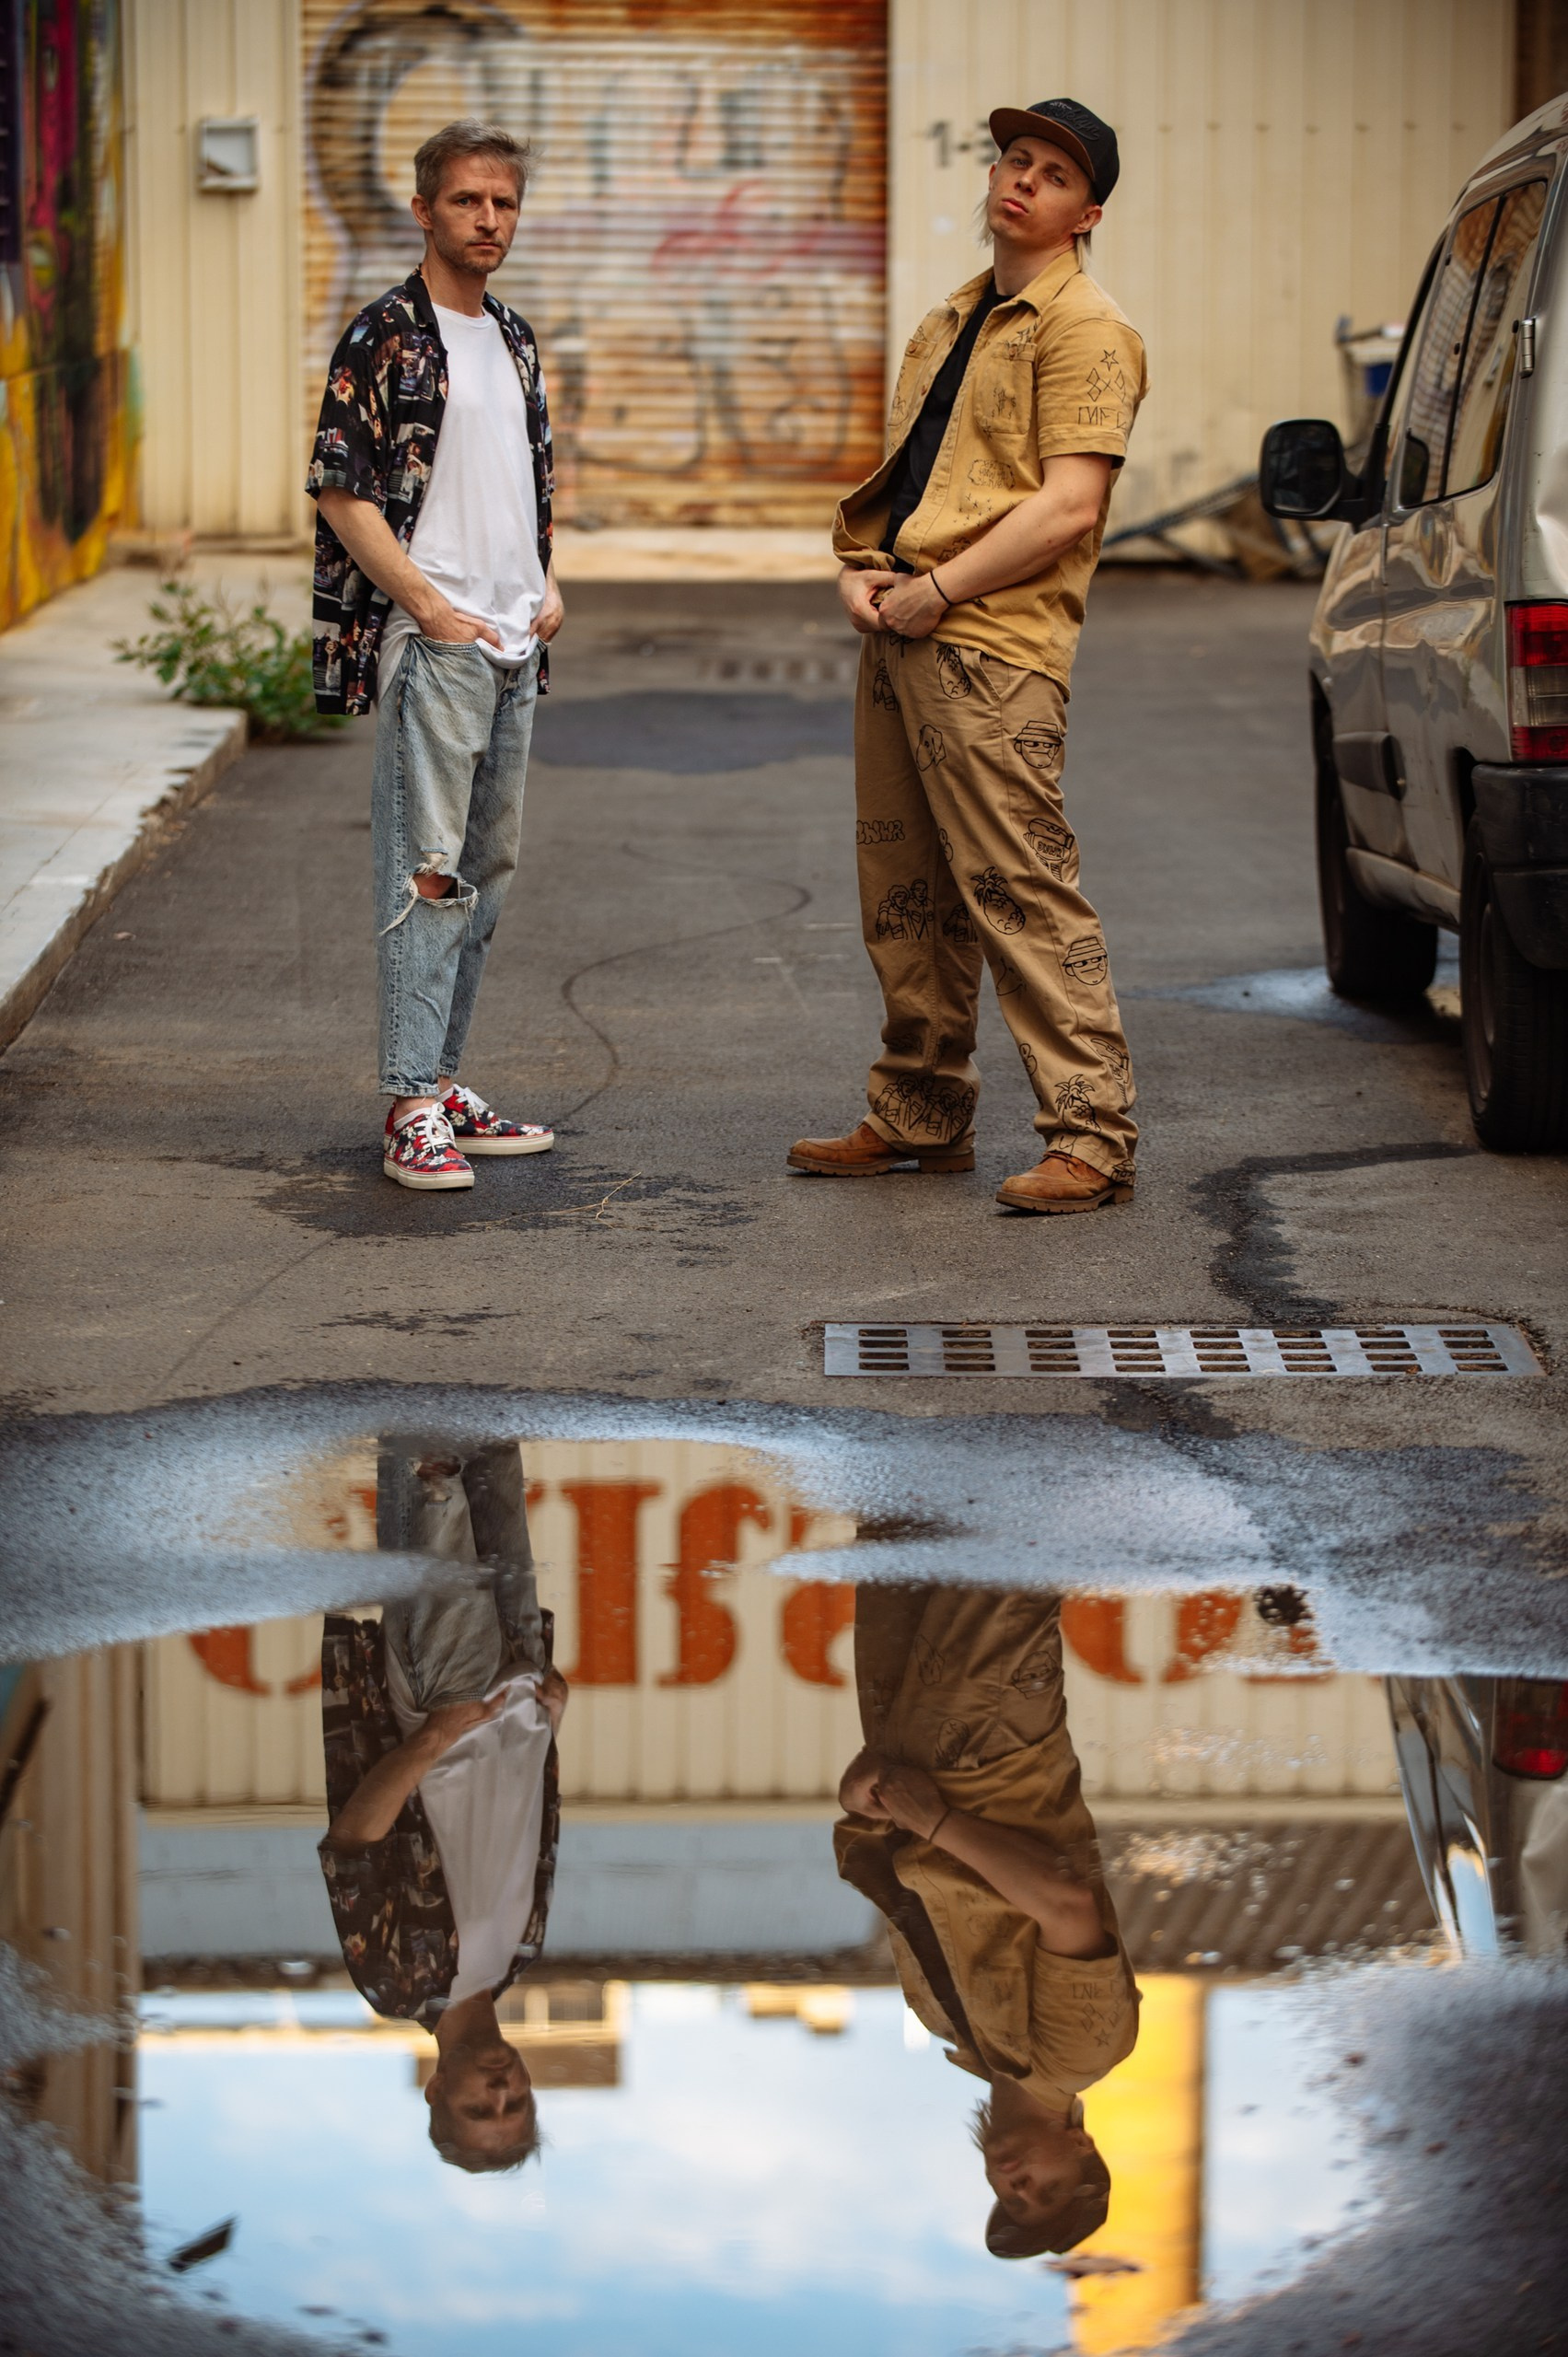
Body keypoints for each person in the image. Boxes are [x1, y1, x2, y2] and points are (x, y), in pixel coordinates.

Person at [791, 99, 1147, 1213]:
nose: (1021, 181)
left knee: (1018, 888)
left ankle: (1091, 1135)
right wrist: (863, 568)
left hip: (990, 645)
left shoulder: (1086, 327)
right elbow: (912, 484)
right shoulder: (951, 319)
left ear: (1084, 213)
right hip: (904, 628)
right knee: (905, 891)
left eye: (1050, 175)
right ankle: (918, 1112)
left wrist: (937, 590)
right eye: (1014, 160)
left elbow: (1068, 507)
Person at [307, 120, 563, 1191]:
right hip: (441, 643)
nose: (488, 220)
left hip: (512, 642)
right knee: (428, 874)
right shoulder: (384, 336)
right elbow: (339, 489)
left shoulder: (511, 336)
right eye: (467, 201)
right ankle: (410, 1102)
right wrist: (427, 604)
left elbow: (528, 480)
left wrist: (548, 583)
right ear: (424, 210)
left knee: (486, 878)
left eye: (502, 202)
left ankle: (442, 1076)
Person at [835, 1584, 1140, 2258]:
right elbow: (1065, 1907)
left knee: (904, 1520)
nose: (1017, 2186)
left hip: (907, 1745)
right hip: (992, 1751)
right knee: (999, 1546)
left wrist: (862, 1802)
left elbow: (912, 1875)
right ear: (1079, 2146)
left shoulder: (950, 2029)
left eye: (1010, 2199)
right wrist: (938, 1821)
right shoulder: (1080, 2056)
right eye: (1047, 2189)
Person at [318, 1442, 567, 2172]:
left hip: (443, 1704)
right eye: (515, 2105)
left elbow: (352, 1846)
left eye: (478, 2108)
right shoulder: (520, 1957)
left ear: (435, 2091)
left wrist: (432, 1738)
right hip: (519, 1696)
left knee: (433, 1487)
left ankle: (403, 1348)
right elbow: (524, 1824)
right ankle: (473, 1347)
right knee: (495, 1471)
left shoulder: (396, 1984)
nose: (500, 2092)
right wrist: (552, 1725)